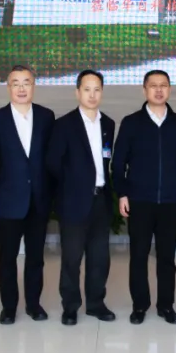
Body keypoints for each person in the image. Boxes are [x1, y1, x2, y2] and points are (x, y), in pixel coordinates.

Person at [113, 70, 176, 325]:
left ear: (169, 89)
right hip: (139, 201)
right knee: (139, 256)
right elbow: (118, 162)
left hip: (170, 201)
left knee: (167, 258)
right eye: (153, 85)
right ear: (144, 89)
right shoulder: (131, 122)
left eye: (163, 85)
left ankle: (166, 306)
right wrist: (123, 193)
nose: (158, 90)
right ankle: (139, 306)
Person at [0, 65, 54, 324]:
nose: (22, 88)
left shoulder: (46, 116)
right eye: (16, 83)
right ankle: (9, 307)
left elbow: (52, 160)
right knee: (7, 258)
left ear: (34, 86)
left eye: (26, 83)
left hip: (39, 200)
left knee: (36, 258)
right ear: (8, 87)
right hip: (8, 201)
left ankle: (34, 304)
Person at [47, 70, 116, 326]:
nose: (92, 95)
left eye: (97, 89)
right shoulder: (64, 125)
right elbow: (53, 163)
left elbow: (106, 159)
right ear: (77, 92)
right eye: (87, 89)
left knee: (99, 258)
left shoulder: (108, 124)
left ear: (102, 92)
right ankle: (70, 307)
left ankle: (96, 304)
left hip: (101, 200)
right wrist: (71, 187)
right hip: (73, 201)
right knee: (72, 258)